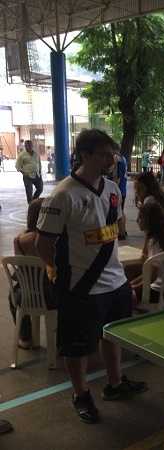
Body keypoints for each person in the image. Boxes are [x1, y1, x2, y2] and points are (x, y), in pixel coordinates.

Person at [35, 129, 147, 424]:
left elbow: (113, 227)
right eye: (105, 154)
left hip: (115, 280)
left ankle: (115, 383)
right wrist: (55, 271)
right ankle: (81, 394)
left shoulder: (111, 188)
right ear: (84, 155)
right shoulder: (63, 194)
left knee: (112, 335)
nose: (112, 160)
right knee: (78, 344)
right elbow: (43, 244)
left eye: (114, 154)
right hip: (79, 285)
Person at [9, 198, 56, 350]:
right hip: (53, 296)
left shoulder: (19, 241)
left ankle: (26, 337)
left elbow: (21, 269)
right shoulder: (57, 240)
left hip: (27, 297)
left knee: (12, 297)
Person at [130, 203, 164, 306]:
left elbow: (152, 276)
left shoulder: (154, 243)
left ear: (149, 221)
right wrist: (132, 284)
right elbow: (148, 273)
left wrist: (135, 287)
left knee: (125, 296)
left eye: (140, 218)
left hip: (159, 291)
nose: (137, 221)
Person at [15, 139, 43, 204]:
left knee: (40, 188)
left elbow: (39, 163)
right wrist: (23, 173)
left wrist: (40, 172)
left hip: (37, 175)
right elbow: (17, 165)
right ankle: (31, 205)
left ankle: (34, 199)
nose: (28, 147)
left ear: (32, 146)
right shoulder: (22, 155)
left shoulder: (36, 154)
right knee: (29, 192)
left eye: (29, 145)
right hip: (27, 176)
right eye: (26, 145)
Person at [113, 146, 128, 240]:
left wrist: (113, 190)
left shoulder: (118, 161)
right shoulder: (123, 158)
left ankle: (122, 232)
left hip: (119, 190)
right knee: (121, 210)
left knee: (119, 212)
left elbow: (117, 178)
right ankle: (123, 230)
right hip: (123, 189)